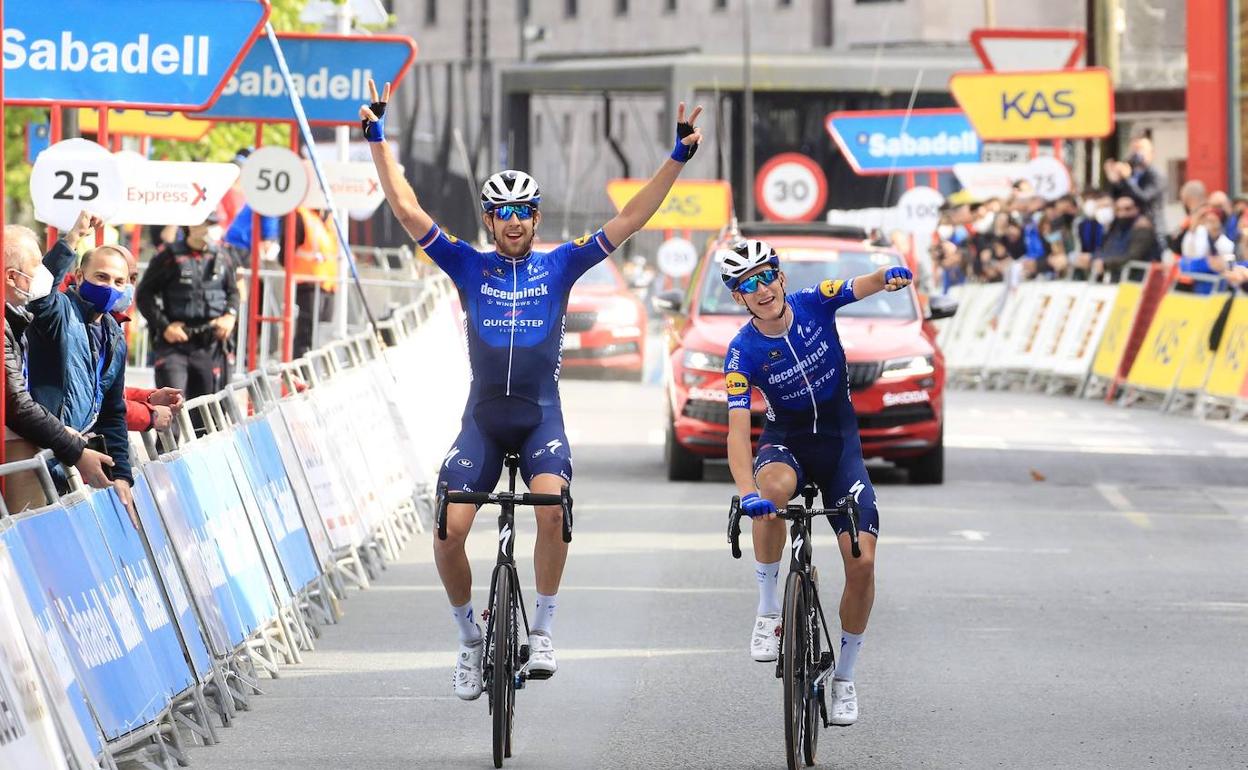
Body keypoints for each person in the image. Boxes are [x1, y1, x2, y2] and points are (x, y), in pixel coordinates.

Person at [360, 78, 703, 699]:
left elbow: (630, 218)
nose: (514, 222)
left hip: (541, 418)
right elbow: (409, 212)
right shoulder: (468, 262)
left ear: (536, 218)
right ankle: (469, 639)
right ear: (489, 219)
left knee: (551, 507)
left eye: (524, 212)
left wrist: (676, 157)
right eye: (502, 212)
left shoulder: (561, 263)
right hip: (485, 421)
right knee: (448, 533)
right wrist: (378, 139)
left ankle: (541, 631)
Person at [720, 239, 911, 727]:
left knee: (863, 563)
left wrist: (887, 276)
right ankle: (768, 612)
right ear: (739, 296)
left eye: (766, 276)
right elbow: (738, 432)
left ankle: (844, 679)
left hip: (840, 447)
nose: (761, 289)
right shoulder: (742, 351)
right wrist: (747, 493)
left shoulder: (813, 302)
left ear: (781, 277)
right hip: (786, 444)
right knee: (772, 493)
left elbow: (857, 286)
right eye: (747, 284)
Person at [23, 214, 136, 518]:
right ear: (80, 275)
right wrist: (71, 239)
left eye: (119, 282)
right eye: (101, 277)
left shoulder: (114, 335)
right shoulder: (57, 311)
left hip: (75, 463)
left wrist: (122, 475)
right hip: (39, 457)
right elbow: (38, 294)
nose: (110, 287)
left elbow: (113, 412)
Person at [3, 220, 114, 512]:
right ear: (12, 277)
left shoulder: (14, 321)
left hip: (39, 441)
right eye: (36, 268)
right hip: (21, 449)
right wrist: (72, 447)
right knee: (26, 529)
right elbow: (15, 405)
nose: (43, 275)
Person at [136, 213, 239, 400]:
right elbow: (144, 294)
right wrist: (164, 326)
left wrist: (230, 316)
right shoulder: (169, 256)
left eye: (213, 224)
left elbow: (233, 292)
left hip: (211, 342)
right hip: (176, 342)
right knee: (173, 404)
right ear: (191, 226)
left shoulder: (224, 256)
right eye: (206, 223)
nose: (210, 229)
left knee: (209, 410)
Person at [1105, 135, 1167, 235]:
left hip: (1150, 230)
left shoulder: (1156, 176)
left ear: (1151, 153)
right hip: (1126, 230)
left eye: (1141, 149)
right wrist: (1115, 181)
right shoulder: (1129, 173)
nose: (1137, 153)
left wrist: (1128, 178)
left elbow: (1143, 198)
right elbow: (1115, 198)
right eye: (1134, 149)